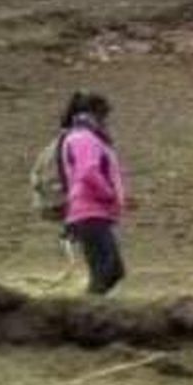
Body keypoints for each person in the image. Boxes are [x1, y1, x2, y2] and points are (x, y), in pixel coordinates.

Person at [61, 91, 129, 295]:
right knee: (108, 270)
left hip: (92, 212)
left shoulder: (84, 136)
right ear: (95, 113)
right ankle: (86, 312)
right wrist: (110, 195)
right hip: (89, 212)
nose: (106, 122)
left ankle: (90, 309)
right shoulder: (84, 138)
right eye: (104, 116)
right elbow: (88, 172)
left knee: (111, 270)